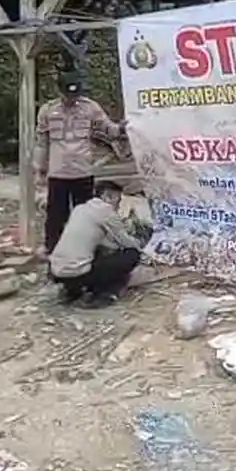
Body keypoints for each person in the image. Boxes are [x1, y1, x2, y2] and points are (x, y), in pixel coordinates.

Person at [35, 72, 125, 252]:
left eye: (75, 95)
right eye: (68, 95)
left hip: (83, 171)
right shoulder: (47, 110)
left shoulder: (90, 108)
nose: (71, 99)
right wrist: (39, 169)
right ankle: (53, 249)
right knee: (56, 215)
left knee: (84, 214)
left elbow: (110, 129)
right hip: (58, 172)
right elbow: (42, 142)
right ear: (60, 92)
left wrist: (122, 128)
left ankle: (85, 248)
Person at [48, 180, 142, 307]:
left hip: (56, 270)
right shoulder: (106, 211)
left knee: (96, 251)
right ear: (107, 196)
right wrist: (141, 244)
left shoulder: (79, 209)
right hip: (78, 273)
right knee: (132, 255)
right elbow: (126, 243)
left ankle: (71, 291)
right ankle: (103, 294)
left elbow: (95, 239)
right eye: (118, 201)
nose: (119, 207)